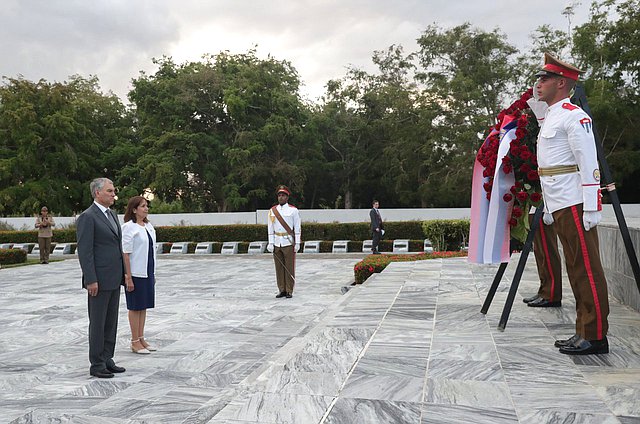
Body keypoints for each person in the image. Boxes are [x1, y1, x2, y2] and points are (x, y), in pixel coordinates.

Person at [534, 52, 609, 355]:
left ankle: (595, 334)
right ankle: (583, 329)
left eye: (545, 78)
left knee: (586, 268)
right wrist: (550, 208)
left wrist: (592, 205)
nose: (539, 83)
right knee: (575, 268)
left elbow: (588, 161)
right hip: (560, 202)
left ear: (562, 83)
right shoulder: (552, 115)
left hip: (575, 201)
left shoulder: (574, 116)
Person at [76, 178, 126, 378]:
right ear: (97, 193)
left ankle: (107, 357)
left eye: (113, 191)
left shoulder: (112, 215)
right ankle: (96, 363)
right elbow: (85, 251)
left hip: (114, 277)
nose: (114, 194)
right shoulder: (88, 217)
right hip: (98, 279)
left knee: (111, 321)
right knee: (97, 322)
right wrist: (90, 279)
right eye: (110, 191)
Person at [122, 196, 157, 355]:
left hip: (147, 271)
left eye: (147, 206)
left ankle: (141, 337)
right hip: (135, 273)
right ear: (134, 209)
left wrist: (153, 273)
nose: (146, 208)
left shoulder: (148, 226)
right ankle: (134, 341)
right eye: (143, 206)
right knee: (135, 307)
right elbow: (126, 253)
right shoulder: (129, 227)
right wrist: (128, 276)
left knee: (143, 306)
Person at [523, 207, 563, 308]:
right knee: (540, 252)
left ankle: (552, 294)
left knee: (548, 252)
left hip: (544, 208)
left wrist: (548, 209)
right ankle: (544, 290)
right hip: (536, 208)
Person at [267, 185, 301, 299]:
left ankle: (289, 290)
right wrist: (270, 243)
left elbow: (297, 227)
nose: (281, 197)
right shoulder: (272, 211)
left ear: (287, 197)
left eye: (283, 195)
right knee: (279, 268)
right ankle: (281, 289)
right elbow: (270, 228)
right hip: (277, 242)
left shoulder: (293, 210)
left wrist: (297, 243)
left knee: (289, 267)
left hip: (288, 242)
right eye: (279, 195)